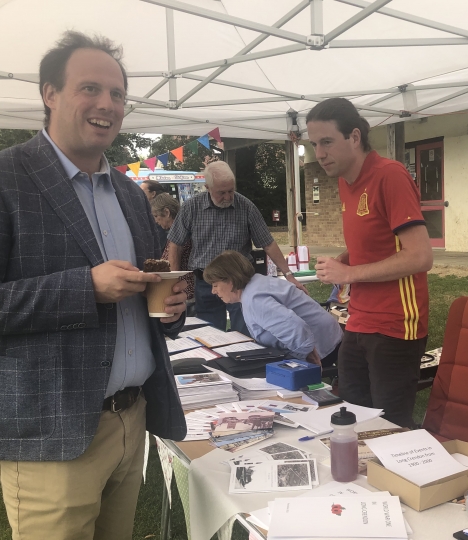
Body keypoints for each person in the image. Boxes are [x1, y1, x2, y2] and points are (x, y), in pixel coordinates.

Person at [0, 31, 188, 540]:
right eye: (89, 88)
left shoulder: (129, 193)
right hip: (48, 428)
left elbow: (141, 294)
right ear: (50, 94)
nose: (107, 104)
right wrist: (83, 288)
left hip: (130, 419)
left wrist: (172, 304)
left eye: (117, 94)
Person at [308, 98, 433, 429]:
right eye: (314, 144)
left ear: (354, 137)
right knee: (351, 419)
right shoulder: (346, 183)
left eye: (326, 142)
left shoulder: (389, 176)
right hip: (359, 320)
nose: (319, 153)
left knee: (390, 427)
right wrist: (343, 260)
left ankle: (403, 480)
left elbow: (420, 256)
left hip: (395, 325)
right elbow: (374, 243)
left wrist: (349, 273)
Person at [166, 160, 306, 333]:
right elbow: (175, 244)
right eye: (221, 193)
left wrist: (289, 274)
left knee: (245, 331)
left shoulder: (246, 206)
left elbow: (267, 243)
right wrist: (173, 280)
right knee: (208, 334)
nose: (227, 197)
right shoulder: (191, 207)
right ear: (208, 187)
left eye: (231, 191)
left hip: (239, 283)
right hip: (206, 283)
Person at [203, 250, 342, 367]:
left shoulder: (254, 299)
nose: (213, 291)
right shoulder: (255, 285)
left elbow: (296, 330)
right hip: (326, 338)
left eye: (215, 285)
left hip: (323, 347)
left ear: (230, 280)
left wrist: (300, 361)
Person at [151, 193, 195, 300]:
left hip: (181, 289)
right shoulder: (180, 230)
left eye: (156, 216)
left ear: (167, 212)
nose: (156, 221)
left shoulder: (179, 233)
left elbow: (174, 262)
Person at [141, 180, 169, 250]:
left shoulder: (160, 209)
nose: (138, 193)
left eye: (142, 191)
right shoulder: (145, 208)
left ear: (153, 193)